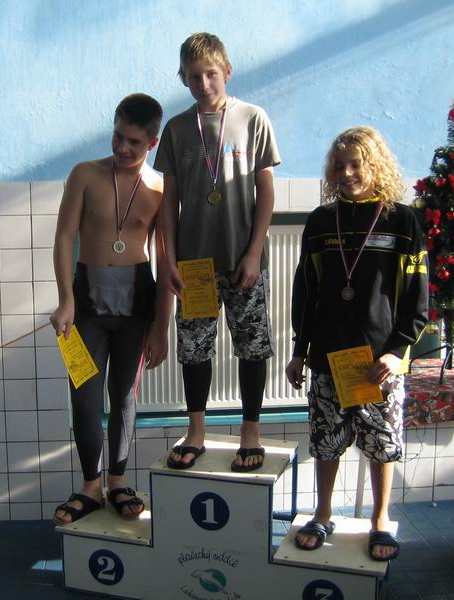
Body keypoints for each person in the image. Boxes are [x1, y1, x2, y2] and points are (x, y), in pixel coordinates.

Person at [285, 127, 428, 560]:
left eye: (356, 165)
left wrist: (396, 351)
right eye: (339, 165)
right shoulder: (320, 222)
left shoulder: (403, 222)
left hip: (379, 362)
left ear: (375, 166)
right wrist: (299, 351)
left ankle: (380, 519)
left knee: (381, 444)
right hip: (329, 357)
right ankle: (323, 512)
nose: (346, 173)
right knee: (326, 440)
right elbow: (306, 291)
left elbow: (418, 300)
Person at [154, 32, 281, 473]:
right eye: (194, 76)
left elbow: (266, 192)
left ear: (226, 71)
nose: (203, 83)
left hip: (244, 260)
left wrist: (254, 251)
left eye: (211, 74)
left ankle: (251, 433)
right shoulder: (176, 129)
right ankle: (196, 432)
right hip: (195, 267)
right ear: (183, 79)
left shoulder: (253, 118)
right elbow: (168, 201)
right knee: (194, 351)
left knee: (252, 347)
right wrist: (168, 259)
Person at [50, 93, 170, 524]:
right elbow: (65, 237)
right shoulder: (85, 174)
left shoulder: (160, 187)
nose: (122, 148)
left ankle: (117, 481)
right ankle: (90, 486)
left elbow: (165, 259)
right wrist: (65, 299)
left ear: (152, 143)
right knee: (84, 396)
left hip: (137, 302)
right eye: (118, 136)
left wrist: (162, 326)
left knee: (123, 396)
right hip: (86, 303)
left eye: (134, 142)